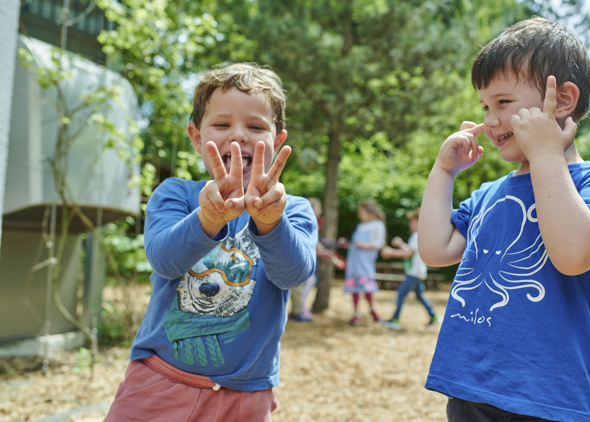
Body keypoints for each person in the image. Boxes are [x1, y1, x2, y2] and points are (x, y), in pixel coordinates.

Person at [418, 17, 590, 422]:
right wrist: (443, 172)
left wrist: (547, 154)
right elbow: (435, 250)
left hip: (550, 401)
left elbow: (572, 256)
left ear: (563, 100)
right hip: (472, 389)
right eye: (485, 106)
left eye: (503, 103)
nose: (490, 120)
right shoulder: (489, 194)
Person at [104, 63, 318, 422]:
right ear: (196, 137)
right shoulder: (175, 194)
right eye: (221, 124)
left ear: (277, 140)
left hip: (245, 395)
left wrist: (270, 224)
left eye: (255, 126)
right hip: (158, 381)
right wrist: (208, 219)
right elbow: (164, 260)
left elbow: (293, 275)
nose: (238, 137)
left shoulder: (291, 209)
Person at [380, 207, 440, 330]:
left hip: (414, 272)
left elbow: (408, 253)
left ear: (420, 222)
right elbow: (411, 250)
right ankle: (434, 316)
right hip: (419, 271)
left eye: (411, 222)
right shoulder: (420, 235)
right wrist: (401, 244)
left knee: (401, 293)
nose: (409, 224)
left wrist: (391, 252)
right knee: (419, 295)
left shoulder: (416, 235)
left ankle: (395, 319)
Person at [288, 197, 345, 322]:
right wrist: (332, 257)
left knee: (307, 282)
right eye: (318, 207)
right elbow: (315, 245)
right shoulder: (307, 222)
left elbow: (317, 244)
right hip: (300, 261)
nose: (320, 210)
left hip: (304, 260)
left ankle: (299, 308)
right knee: (303, 283)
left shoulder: (311, 222)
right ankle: (298, 310)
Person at [338, 198, 386, 325]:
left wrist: (361, 244)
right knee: (354, 288)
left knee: (367, 288)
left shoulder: (377, 225)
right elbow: (355, 244)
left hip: (365, 263)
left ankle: (372, 309)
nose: (359, 216)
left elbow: (378, 244)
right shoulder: (360, 226)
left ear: (369, 212)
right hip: (354, 262)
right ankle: (356, 313)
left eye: (361, 212)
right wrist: (346, 244)